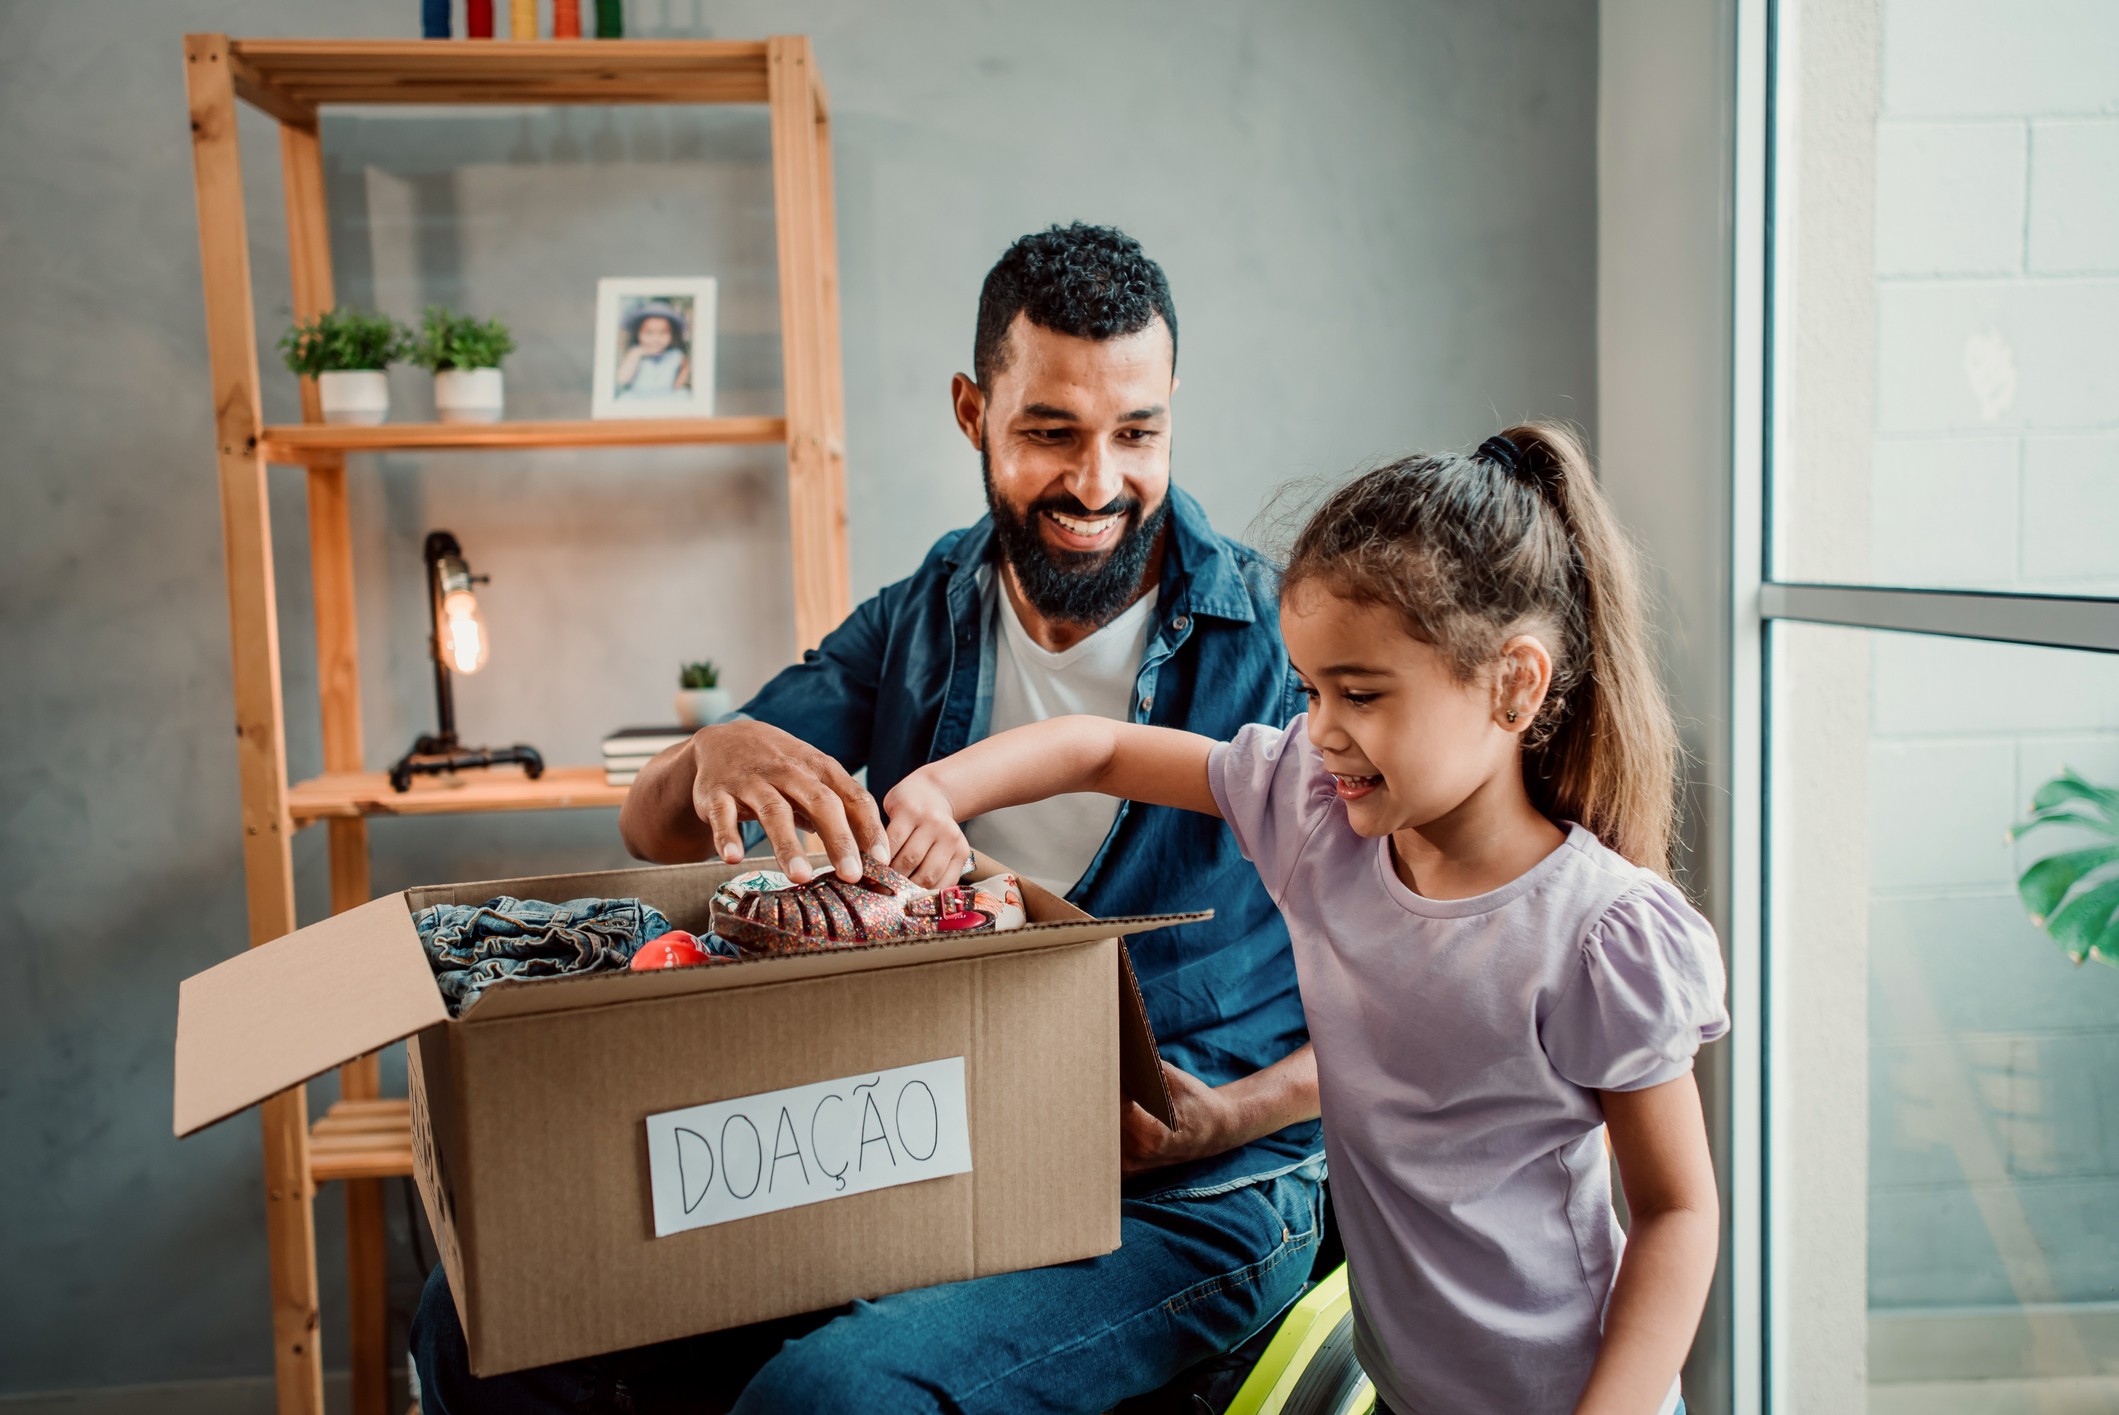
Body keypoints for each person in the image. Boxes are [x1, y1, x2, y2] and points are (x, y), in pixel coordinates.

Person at [410, 223, 1326, 1413]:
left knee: (830, 1399)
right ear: (971, 411)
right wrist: (714, 749)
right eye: (1050, 432)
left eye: (1136, 433)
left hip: (1187, 1195)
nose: (1098, 484)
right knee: (485, 1312)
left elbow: (1433, 973)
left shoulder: (1282, 648)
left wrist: (1223, 1117)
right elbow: (651, 831)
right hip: (928, 1147)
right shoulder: (922, 620)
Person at [883, 424, 1730, 1415]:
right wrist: (939, 788)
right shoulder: (1317, 813)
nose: (1321, 727)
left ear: (1513, 683)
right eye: (1312, 687)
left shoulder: (1600, 932)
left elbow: (1676, 1211)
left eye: (1361, 693)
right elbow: (1104, 749)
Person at [615, 300, 691, 399]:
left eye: (663, 333)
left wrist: (677, 384)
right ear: (638, 334)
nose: (656, 339)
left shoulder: (675, 355)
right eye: (649, 333)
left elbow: (685, 367)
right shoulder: (635, 353)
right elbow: (622, 379)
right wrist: (637, 353)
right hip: (638, 398)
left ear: (672, 335)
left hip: (667, 397)